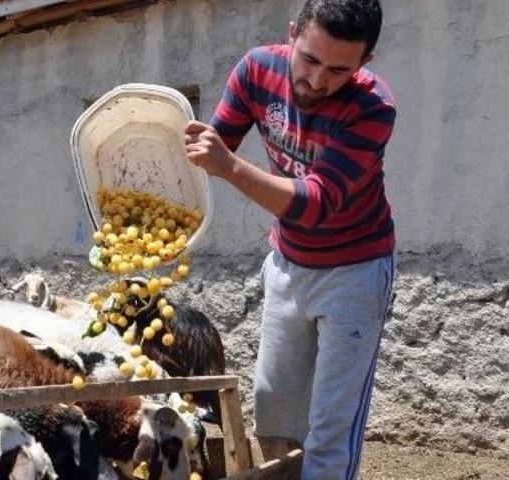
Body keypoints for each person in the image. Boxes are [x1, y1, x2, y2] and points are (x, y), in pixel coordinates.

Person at [184, 0, 396, 478]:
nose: (318, 80)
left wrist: (231, 167)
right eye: (310, 59)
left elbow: (315, 204)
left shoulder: (373, 107)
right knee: (273, 410)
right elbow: (214, 147)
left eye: (339, 69)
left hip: (355, 273)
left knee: (329, 430)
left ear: (364, 64)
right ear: (293, 33)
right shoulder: (257, 70)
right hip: (286, 263)